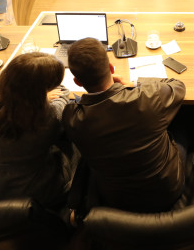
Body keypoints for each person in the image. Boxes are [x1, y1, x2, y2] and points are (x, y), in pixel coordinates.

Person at [62, 38, 186, 213]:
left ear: (77, 82)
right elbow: (177, 85)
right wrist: (134, 83)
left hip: (115, 199)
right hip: (166, 192)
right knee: (183, 127)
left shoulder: (72, 118)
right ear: (111, 68)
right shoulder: (147, 97)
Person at [0, 52, 79, 209]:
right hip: (37, 191)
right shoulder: (46, 119)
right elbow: (62, 95)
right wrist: (45, 96)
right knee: (79, 140)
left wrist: (37, 93)